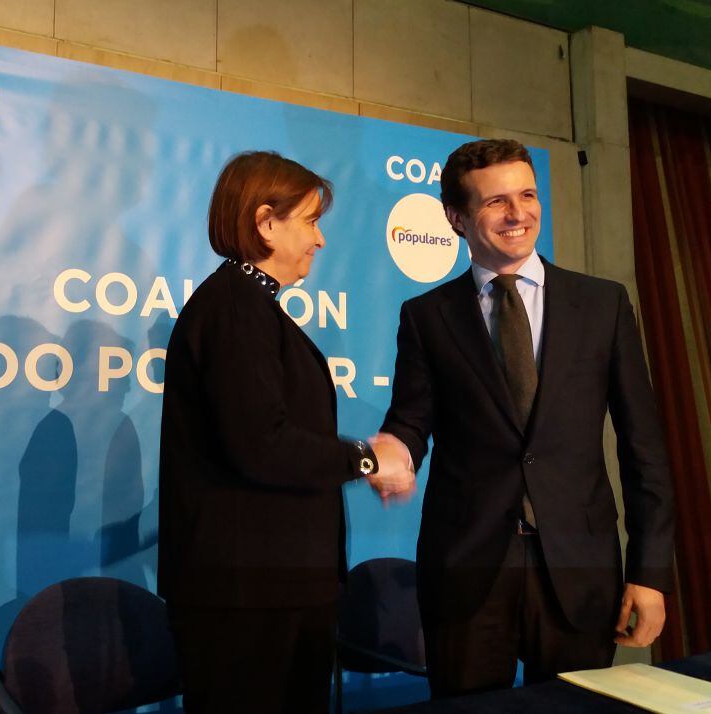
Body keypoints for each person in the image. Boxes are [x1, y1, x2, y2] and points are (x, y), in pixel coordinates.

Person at [371, 138, 675, 697]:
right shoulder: (426, 318)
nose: (519, 214)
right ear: (457, 218)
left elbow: (644, 447)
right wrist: (394, 449)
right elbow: (412, 421)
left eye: (528, 195)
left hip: (579, 566)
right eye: (496, 203)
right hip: (466, 567)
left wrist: (650, 573)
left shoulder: (603, 303)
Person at [158, 151, 413, 714]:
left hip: (275, 589)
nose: (319, 241)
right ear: (266, 222)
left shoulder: (250, 308)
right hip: (247, 598)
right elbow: (262, 445)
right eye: (311, 221)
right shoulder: (234, 311)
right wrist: (368, 460)